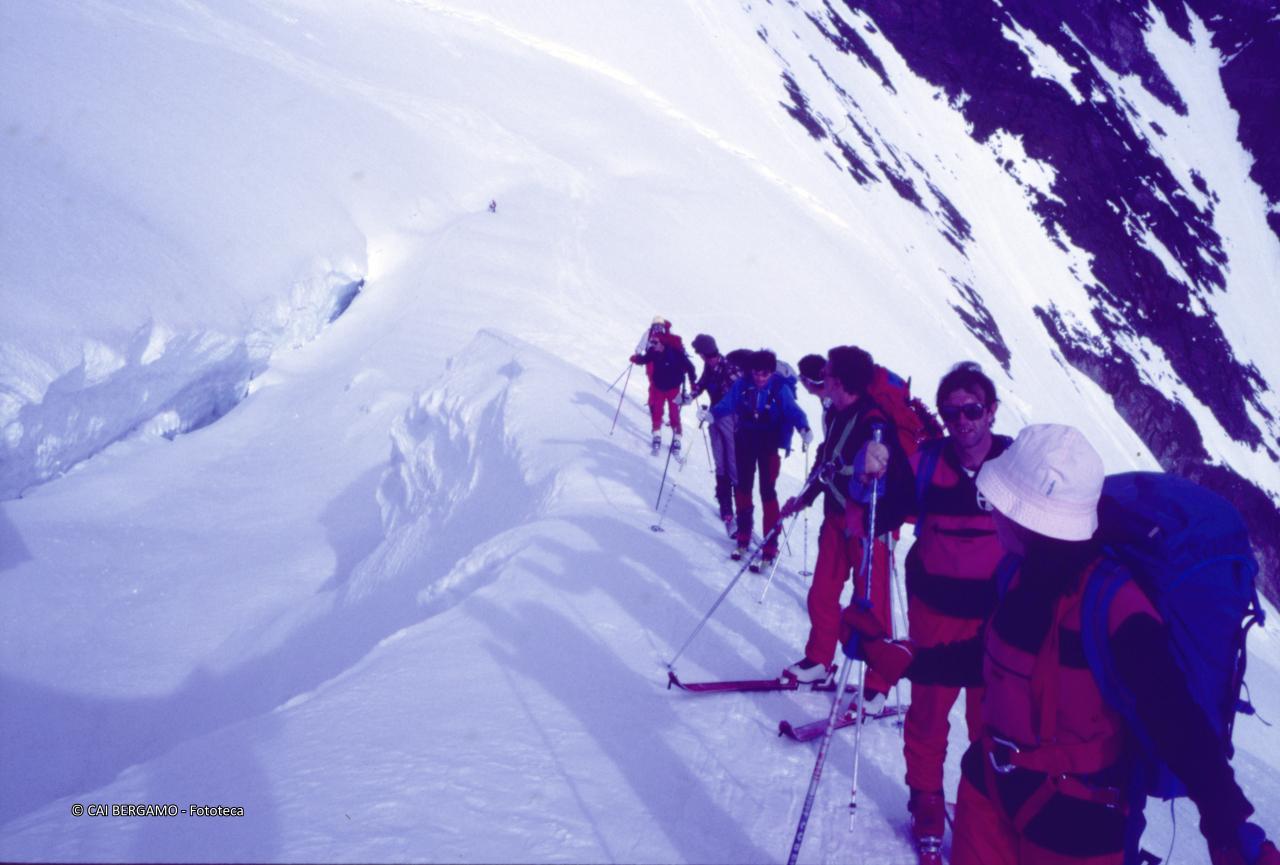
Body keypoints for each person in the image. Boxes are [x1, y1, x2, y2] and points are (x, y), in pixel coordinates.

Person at [843, 424, 1280, 865]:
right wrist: (902, 657)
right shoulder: (1016, 573)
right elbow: (993, 658)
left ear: (1025, 516)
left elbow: (1174, 716)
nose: (990, 509)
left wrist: (1227, 825)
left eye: (999, 500)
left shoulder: (1115, 605)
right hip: (989, 792)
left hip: (1077, 820)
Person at [899, 362, 1011, 858]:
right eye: (950, 412)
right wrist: (870, 475)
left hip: (999, 616)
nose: (961, 421)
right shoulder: (925, 462)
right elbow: (875, 509)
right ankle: (926, 797)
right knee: (928, 711)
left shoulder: (1017, 464)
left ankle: (987, 805)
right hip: (935, 611)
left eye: (971, 410)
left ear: (990, 411)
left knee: (993, 722)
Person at [778, 345, 913, 692]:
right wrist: (805, 497)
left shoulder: (875, 422)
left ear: (840, 381)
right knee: (822, 593)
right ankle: (820, 660)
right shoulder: (837, 413)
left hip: (871, 527)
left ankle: (878, 685)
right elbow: (828, 458)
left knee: (873, 608)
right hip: (837, 519)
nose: (823, 376)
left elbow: (889, 477)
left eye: (828, 372)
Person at [707, 349, 811, 566]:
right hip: (745, 440)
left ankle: (770, 544)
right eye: (756, 373)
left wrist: (803, 427)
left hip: (768, 444)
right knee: (743, 487)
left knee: (767, 491)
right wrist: (713, 414)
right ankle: (743, 536)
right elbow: (728, 403)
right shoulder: (742, 385)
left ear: (771, 372)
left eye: (764, 374)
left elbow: (793, 410)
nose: (760, 378)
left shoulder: (779, 388)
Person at [688, 334, 741, 534]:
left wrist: (714, 412)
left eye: (700, 353)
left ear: (706, 352)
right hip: (714, 417)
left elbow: (733, 398)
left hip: (730, 419)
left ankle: (741, 510)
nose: (700, 357)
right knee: (720, 462)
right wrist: (689, 396)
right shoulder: (710, 367)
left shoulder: (730, 369)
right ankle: (726, 506)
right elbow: (702, 384)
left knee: (733, 462)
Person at [630, 317, 697, 454]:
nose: (654, 345)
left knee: (674, 413)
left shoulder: (676, 352)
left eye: (656, 342)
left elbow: (690, 367)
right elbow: (645, 359)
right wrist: (636, 359)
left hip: (673, 388)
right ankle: (657, 434)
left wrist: (693, 384)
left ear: (662, 341)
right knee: (657, 410)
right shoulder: (654, 351)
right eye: (653, 342)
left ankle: (677, 437)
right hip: (658, 386)